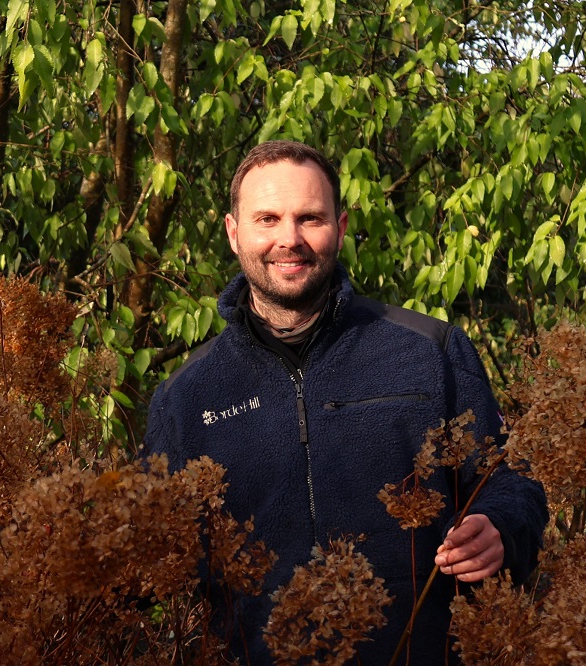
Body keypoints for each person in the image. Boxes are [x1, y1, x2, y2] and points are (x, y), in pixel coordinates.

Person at [141, 140, 548, 664]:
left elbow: (513, 481)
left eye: (310, 218)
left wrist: (500, 528)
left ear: (342, 225)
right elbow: (149, 559)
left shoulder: (431, 351)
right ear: (233, 231)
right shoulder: (187, 395)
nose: (289, 239)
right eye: (267, 218)